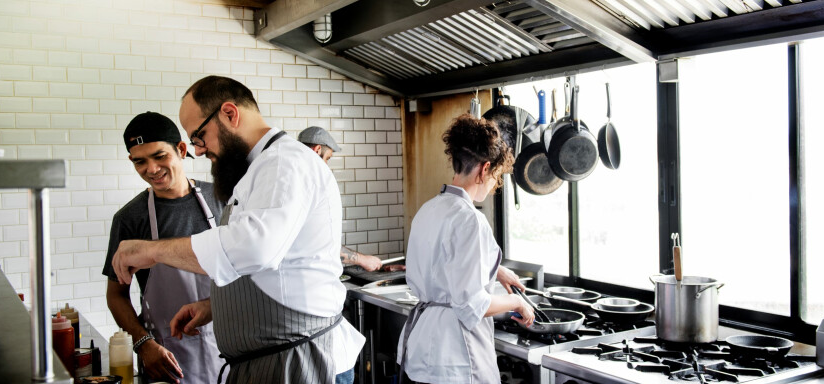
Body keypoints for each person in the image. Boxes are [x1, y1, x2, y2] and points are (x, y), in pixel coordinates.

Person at [110, 76, 364, 384]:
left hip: (302, 360)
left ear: (230, 114)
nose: (199, 151)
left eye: (199, 136)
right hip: (276, 359)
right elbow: (276, 271)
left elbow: (253, 248)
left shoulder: (284, 162)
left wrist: (151, 249)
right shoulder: (258, 170)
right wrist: (215, 306)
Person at [396, 114, 535, 384]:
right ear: (484, 170)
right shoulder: (471, 220)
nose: (495, 185)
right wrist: (518, 302)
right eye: (496, 176)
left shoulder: (429, 209)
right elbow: (472, 305)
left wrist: (496, 271)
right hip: (456, 360)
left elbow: (446, 265)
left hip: (421, 349)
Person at [102, 112, 224, 384]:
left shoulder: (223, 200)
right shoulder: (130, 219)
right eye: (140, 161)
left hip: (230, 348)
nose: (152, 169)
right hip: (167, 359)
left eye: (159, 156)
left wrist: (213, 305)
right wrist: (143, 344)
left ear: (181, 149)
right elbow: (116, 295)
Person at [298, 125, 384, 272]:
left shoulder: (294, 180)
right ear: (317, 150)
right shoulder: (310, 186)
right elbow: (321, 244)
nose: (326, 166)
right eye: (328, 158)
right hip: (309, 279)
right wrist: (362, 260)